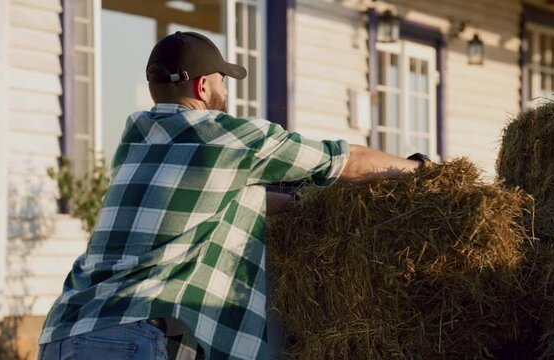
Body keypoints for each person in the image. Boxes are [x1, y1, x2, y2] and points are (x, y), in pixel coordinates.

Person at [38, 31, 431, 360]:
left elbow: (226, 203)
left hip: (64, 331)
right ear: (203, 85)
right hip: (134, 338)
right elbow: (347, 160)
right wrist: (426, 171)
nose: (226, 91)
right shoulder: (225, 136)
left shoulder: (138, 142)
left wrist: (300, 204)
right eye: (223, 80)